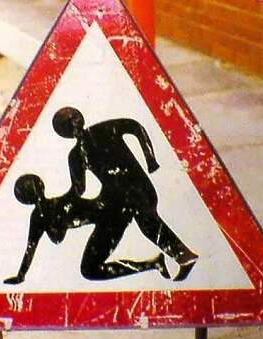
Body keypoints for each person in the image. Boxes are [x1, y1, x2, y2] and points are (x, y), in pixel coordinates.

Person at [51, 107, 198, 282]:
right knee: (89, 268)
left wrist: (150, 159)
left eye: (74, 118)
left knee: (148, 223)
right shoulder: (76, 155)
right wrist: (58, 203)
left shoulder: (105, 129)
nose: (74, 125)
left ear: (80, 117)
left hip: (137, 189)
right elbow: (78, 189)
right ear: (63, 133)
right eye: (67, 125)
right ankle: (162, 262)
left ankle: (183, 257)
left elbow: (135, 127)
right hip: (115, 201)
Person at [3, 174, 169, 284]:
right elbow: (34, 246)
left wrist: (21, 276)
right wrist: (21, 276)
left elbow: (52, 240)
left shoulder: (53, 208)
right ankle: (153, 264)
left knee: (89, 270)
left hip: (113, 217)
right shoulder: (41, 215)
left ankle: (153, 264)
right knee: (90, 270)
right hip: (110, 219)